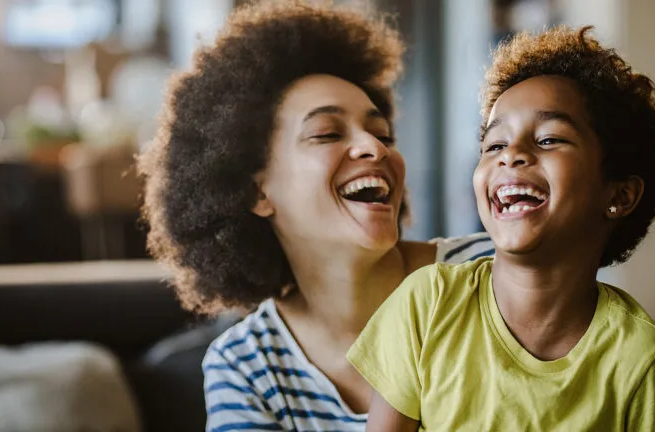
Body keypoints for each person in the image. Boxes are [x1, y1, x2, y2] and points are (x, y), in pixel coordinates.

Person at [138, 1, 493, 431]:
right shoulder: (246, 368)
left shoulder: (491, 273)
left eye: (383, 134)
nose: (375, 148)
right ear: (256, 190)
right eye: (327, 133)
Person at [347, 26, 655, 431]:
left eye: (549, 139)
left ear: (619, 195)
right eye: (494, 145)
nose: (511, 155)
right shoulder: (425, 306)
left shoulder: (646, 365)